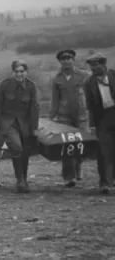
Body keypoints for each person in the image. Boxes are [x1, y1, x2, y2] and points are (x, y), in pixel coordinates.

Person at [0, 60, 40, 193]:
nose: (19, 74)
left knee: (25, 152)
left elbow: (34, 108)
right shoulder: (5, 85)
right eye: (16, 71)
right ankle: (20, 180)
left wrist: (35, 128)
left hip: (25, 124)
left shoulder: (31, 86)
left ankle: (23, 179)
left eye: (22, 71)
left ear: (26, 72)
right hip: (8, 123)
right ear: (13, 72)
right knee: (16, 147)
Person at [49, 49, 90, 187]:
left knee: (81, 144)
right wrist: (51, 116)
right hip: (63, 116)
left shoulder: (84, 75)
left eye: (69, 58)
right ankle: (68, 177)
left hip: (82, 115)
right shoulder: (57, 79)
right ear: (60, 61)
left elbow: (91, 95)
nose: (66, 61)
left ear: (73, 60)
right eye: (63, 59)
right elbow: (55, 100)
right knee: (66, 146)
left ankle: (78, 167)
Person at [82, 53, 115, 194]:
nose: (93, 70)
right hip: (102, 118)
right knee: (103, 151)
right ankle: (105, 183)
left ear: (103, 64)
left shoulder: (114, 75)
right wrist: (92, 125)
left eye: (95, 66)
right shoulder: (88, 82)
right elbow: (90, 106)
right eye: (91, 67)